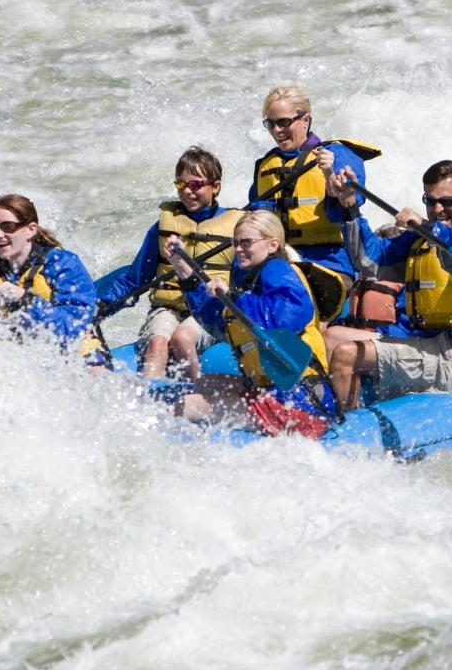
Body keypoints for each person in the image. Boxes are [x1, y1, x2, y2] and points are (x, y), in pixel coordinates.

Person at [325, 160, 452, 410]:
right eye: (430, 201)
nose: (438, 209)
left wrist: (432, 229)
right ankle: (334, 410)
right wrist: (350, 207)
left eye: (447, 201)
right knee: (332, 337)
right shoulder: (420, 239)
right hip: (428, 342)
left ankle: (351, 434)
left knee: (345, 355)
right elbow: (369, 259)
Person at [161, 210, 337, 438]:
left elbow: (285, 316)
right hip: (276, 395)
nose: (239, 249)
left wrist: (235, 297)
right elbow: (216, 320)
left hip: (300, 408)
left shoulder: (278, 270)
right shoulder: (252, 280)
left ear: (273, 244)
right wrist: (183, 270)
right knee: (203, 383)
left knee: (183, 405)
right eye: (236, 243)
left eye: (247, 242)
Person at [95, 147, 242, 379]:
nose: (188, 192)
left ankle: (194, 395)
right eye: (181, 185)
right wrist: (101, 306)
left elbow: (246, 279)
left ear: (216, 187)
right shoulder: (164, 226)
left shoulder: (236, 227)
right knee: (158, 344)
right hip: (168, 308)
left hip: (210, 312)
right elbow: (137, 278)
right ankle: (148, 398)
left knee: (183, 338)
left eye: (196, 185)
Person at [249, 82, 378, 307]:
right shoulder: (265, 166)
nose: (277, 130)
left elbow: (351, 203)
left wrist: (331, 177)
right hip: (281, 261)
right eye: (270, 123)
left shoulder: (337, 154)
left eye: (284, 122)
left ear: (305, 120)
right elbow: (256, 221)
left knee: (297, 294)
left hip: (329, 264)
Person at [0, 193, 108, 366]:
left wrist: (26, 300)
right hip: (29, 363)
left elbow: (75, 326)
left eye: (8, 226)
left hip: (80, 357)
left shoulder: (62, 264)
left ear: (30, 230)